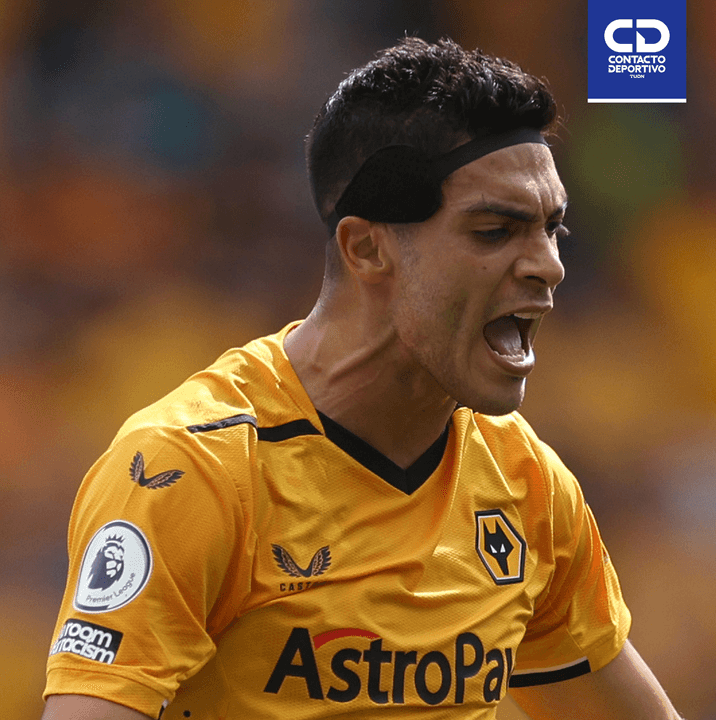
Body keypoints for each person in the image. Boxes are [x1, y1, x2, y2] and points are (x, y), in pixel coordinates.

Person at [42, 37, 681, 720]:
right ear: (368, 248)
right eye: (497, 230)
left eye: (553, 230)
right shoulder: (192, 472)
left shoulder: (525, 484)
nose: (548, 265)